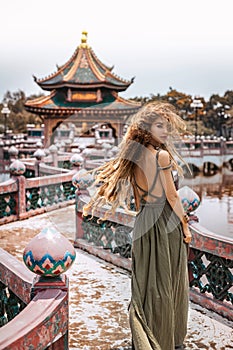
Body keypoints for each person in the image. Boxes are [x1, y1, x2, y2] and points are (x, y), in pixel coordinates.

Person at [83, 101, 192, 350]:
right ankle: (166, 340)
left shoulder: (134, 156)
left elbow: (137, 197)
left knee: (145, 284)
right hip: (166, 221)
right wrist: (185, 226)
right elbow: (173, 196)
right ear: (145, 129)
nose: (165, 131)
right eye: (159, 126)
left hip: (143, 220)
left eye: (167, 126)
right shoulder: (161, 155)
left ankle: (143, 337)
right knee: (167, 281)